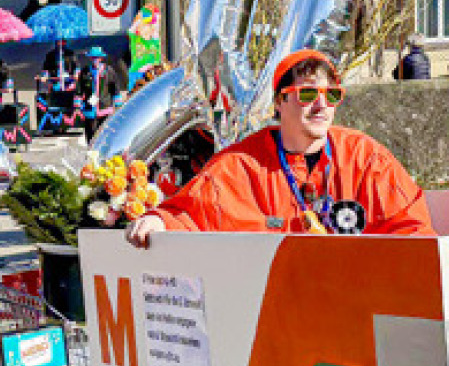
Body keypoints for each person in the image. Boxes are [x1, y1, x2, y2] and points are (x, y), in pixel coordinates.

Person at [127, 49, 433, 245]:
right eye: (307, 93)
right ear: (279, 102)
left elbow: (412, 229)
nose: (321, 105)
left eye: (332, 95)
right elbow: (193, 212)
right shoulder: (240, 165)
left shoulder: (366, 158)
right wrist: (158, 221)